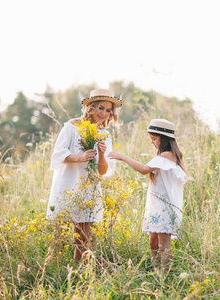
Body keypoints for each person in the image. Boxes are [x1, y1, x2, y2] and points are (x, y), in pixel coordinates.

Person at [46, 88, 121, 261]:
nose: (104, 113)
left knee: (82, 235)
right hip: (68, 182)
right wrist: (80, 157)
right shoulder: (72, 126)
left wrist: (101, 154)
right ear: (91, 107)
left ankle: (78, 272)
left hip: (89, 186)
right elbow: (58, 154)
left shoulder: (104, 135)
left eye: (108, 110)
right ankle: (54, 270)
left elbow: (103, 171)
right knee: (60, 233)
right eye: (101, 108)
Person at [108, 119, 186, 267]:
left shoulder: (167, 156)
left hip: (164, 207)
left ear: (164, 140)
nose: (152, 142)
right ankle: (156, 270)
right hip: (156, 206)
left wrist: (123, 157)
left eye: (154, 139)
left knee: (163, 244)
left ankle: (165, 273)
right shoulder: (163, 157)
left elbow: (144, 170)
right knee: (153, 241)